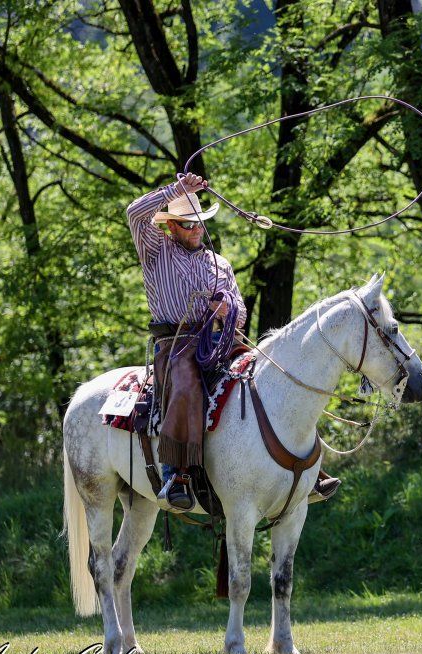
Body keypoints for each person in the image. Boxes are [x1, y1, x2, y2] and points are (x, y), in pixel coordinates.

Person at [127, 173, 340, 511]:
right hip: (177, 342)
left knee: (272, 372)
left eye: (198, 223)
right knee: (185, 384)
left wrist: (227, 309)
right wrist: (178, 190)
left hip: (221, 339)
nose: (195, 230)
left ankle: (305, 466)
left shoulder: (218, 264)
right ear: (171, 227)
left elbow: (239, 311)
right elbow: (134, 213)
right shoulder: (156, 252)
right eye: (186, 225)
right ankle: (177, 472)